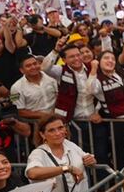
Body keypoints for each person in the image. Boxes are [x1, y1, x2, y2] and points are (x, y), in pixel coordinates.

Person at [43, 38, 109, 167]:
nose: (77, 58)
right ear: (64, 59)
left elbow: (101, 93)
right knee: (78, 158)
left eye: (78, 55)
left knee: (101, 155)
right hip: (73, 123)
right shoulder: (61, 71)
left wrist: (97, 111)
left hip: (94, 121)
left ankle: (103, 180)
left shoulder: (92, 68)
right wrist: (56, 50)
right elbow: (45, 68)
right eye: (72, 57)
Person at [91, 50, 124, 170]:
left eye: (113, 59)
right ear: (99, 62)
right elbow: (93, 91)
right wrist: (93, 69)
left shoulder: (122, 72)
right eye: (106, 58)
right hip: (117, 123)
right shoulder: (98, 78)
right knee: (122, 156)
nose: (110, 61)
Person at [11, 51, 59, 121]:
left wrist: (54, 114)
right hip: (35, 121)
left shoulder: (51, 78)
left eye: (35, 64)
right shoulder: (15, 88)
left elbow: (59, 97)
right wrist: (46, 116)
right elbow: (20, 111)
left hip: (56, 116)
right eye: (28, 66)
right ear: (22, 70)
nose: (33, 67)